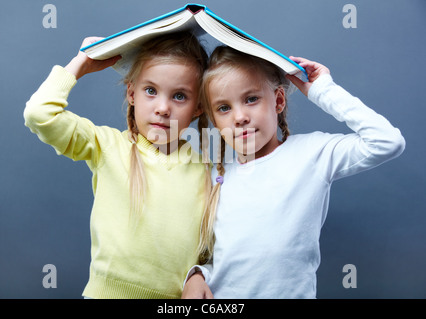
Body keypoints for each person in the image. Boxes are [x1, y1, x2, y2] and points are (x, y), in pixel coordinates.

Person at [182, 46, 405, 299]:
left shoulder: (312, 153)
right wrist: (197, 274)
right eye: (224, 108)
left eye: (251, 99)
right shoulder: (216, 177)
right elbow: (220, 256)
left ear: (278, 100)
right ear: (214, 119)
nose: (240, 117)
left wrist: (322, 90)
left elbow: (387, 141)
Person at [24, 31, 212, 299]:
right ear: (131, 92)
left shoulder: (207, 170)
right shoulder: (107, 146)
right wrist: (80, 64)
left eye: (179, 96)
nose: (162, 108)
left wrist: (199, 274)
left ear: (199, 107)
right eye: (151, 91)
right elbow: (39, 113)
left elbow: (214, 248)